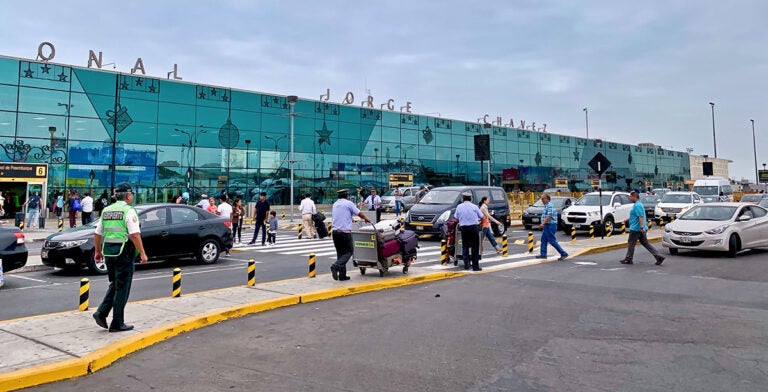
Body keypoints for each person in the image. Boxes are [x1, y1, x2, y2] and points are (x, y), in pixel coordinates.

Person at [92, 182, 148, 333]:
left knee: (115, 284)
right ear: (128, 195)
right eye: (132, 195)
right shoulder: (129, 211)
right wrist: (142, 253)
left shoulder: (106, 210)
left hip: (109, 253)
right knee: (122, 288)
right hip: (124, 253)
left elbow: (97, 233)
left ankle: (101, 313)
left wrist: (97, 251)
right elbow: (135, 234)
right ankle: (117, 322)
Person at [330, 189, 372, 281]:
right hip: (344, 232)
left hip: (335, 232)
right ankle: (335, 266)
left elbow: (341, 215)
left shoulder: (335, 204)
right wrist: (366, 219)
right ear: (347, 196)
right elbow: (359, 213)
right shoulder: (348, 203)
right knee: (349, 252)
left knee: (340, 253)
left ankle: (342, 275)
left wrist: (350, 219)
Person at [621, 191, 665, 265]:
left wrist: (641, 228)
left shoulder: (637, 205)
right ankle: (658, 256)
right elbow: (635, 215)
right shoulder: (637, 204)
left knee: (631, 243)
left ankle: (628, 259)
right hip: (639, 228)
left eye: (631, 197)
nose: (630, 198)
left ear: (635, 197)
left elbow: (640, 216)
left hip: (636, 228)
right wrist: (627, 220)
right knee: (645, 243)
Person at [455, 192, 483, 271]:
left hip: (464, 228)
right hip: (474, 228)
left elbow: (456, 217)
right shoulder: (474, 206)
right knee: (475, 247)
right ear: (471, 199)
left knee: (465, 246)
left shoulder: (459, 207)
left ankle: (466, 264)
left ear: (462, 199)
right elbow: (481, 216)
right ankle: (475, 266)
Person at [537, 194, 568, 261]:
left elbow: (549, 216)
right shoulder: (546, 206)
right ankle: (543, 254)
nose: (542, 200)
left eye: (543, 199)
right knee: (544, 240)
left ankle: (563, 253)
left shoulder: (550, 206)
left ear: (547, 199)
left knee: (552, 241)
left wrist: (543, 223)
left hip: (550, 225)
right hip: (547, 225)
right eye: (541, 199)